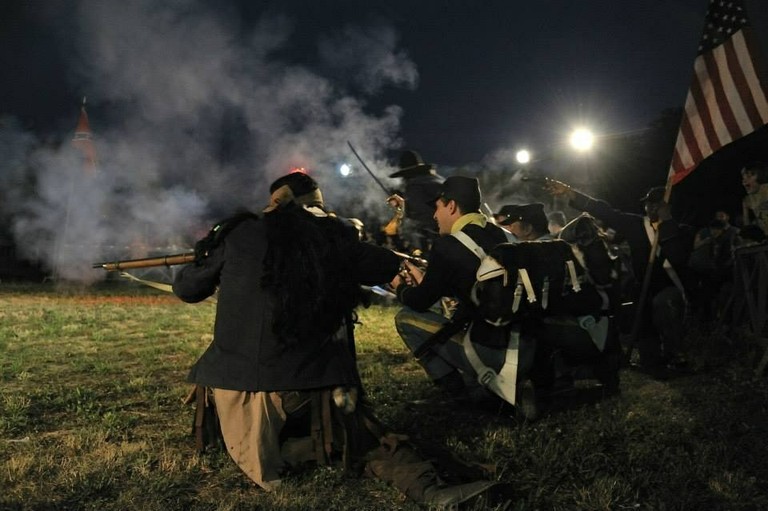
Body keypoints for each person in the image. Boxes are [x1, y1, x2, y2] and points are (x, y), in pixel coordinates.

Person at [172, 172, 505, 507]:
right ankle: (428, 490)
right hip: (307, 388)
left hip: (236, 394)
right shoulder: (334, 236)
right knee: (366, 440)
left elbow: (187, 288)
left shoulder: (238, 233)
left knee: (309, 437)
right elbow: (383, 264)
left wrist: (212, 258)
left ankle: (299, 448)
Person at [545, 180, 694, 377]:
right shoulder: (637, 225)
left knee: (665, 303)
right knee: (640, 314)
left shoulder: (682, 231)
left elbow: (678, 258)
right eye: (648, 204)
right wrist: (570, 193)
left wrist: (666, 225)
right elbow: (606, 212)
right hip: (643, 287)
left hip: (670, 287)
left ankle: (676, 353)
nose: (650, 208)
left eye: (656, 204)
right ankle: (651, 358)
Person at [388, 150, 445, 252]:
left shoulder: (415, 187)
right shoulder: (440, 181)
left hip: (438, 237)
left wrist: (402, 205)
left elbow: (419, 214)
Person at [741, 161, 768, 237]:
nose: (744, 181)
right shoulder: (748, 200)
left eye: (749, 176)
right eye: (743, 178)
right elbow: (747, 228)